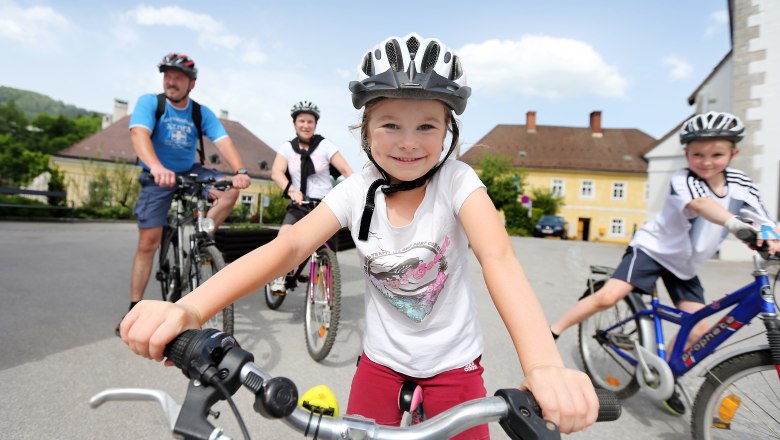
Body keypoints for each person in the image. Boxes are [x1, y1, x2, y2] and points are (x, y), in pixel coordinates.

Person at [120, 34, 599, 437]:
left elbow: (500, 260)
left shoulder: (458, 182)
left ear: (448, 131)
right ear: (365, 129)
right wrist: (189, 307)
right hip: (380, 364)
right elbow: (288, 246)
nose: (409, 141)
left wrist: (543, 366)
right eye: (390, 123)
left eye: (427, 125)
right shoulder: (357, 189)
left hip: (455, 367)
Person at [549, 110, 780, 416]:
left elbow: (765, 221)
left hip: (684, 265)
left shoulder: (741, 183)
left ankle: (666, 376)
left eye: (717, 154)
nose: (707, 161)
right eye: (697, 154)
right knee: (610, 295)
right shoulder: (683, 178)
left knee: (699, 330)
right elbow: (701, 205)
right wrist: (735, 224)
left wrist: (771, 238)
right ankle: (552, 331)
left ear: (733, 153)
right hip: (653, 250)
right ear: (686, 153)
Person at [117, 52, 251, 335]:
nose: (171, 81)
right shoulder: (151, 103)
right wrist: (155, 167)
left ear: (191, 84)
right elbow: (139, 135)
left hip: (191, 169)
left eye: (178, 77)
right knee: (147, 243)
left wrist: (240, 170)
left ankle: (202, 239)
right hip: (158, 174)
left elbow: (223, 141)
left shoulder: (200, 112)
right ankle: (133, 307)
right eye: (168, 75)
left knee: (228, 192)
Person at [268, 101, 353, 292]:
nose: (306, 125)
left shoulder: (325, 145)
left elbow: (346, 170)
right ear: (294, 124)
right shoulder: (287, 148)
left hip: (325, 205)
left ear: (315, 125)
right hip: (300, 203)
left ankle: (325, 301)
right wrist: (291, 190)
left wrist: (359, 189)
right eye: (301, 121)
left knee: (327, 253)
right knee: (284, 238)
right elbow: (276, 173)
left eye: (310, 122)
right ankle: (279, 276)